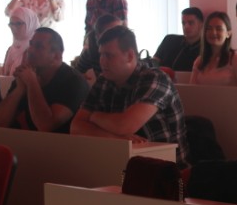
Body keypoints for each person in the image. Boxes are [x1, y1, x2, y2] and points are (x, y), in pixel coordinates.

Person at [71, 27, 188, 162]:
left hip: (168, 167)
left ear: (130, 56)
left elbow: (124, 126)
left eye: (108, 55)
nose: (102, 61)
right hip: (123, 161)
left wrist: (93, 116)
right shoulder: (104, 81)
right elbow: (76, 127)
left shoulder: (155, 78)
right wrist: (115, 138)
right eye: (101, 55)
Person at [0, 27, 88, 132]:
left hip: (58, 142)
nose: (30, 50)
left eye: (39, 46)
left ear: (56, 56)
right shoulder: (26, 76)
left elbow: (46, 126)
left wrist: (32, 83)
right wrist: (19, 90)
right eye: (31, 44)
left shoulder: (74, 81)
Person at [190, 11, 237, 87]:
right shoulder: (199, 61)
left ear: (228, 33)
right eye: (209, 28)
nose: (213, 32)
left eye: (219, 29)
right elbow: (192, 90)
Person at [71, 13, 122, 81]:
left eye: (121, 31)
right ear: (98, 36)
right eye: (114, 33)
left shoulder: (126, 51)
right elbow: (76, 73)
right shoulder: (90, 52)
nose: (121, 36)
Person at [153, 7, 204, 71]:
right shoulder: (169, 40)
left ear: (201, 24)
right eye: (183, 23)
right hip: (161, 76)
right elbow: (154, 62)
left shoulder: (205, 48)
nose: (186, 27)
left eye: (191, 23)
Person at [1, 6, 39, 76]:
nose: (13, 28)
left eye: (18, 24)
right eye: (11, 24)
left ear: (30, 24)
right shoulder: (11, 49)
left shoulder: (36, 51)